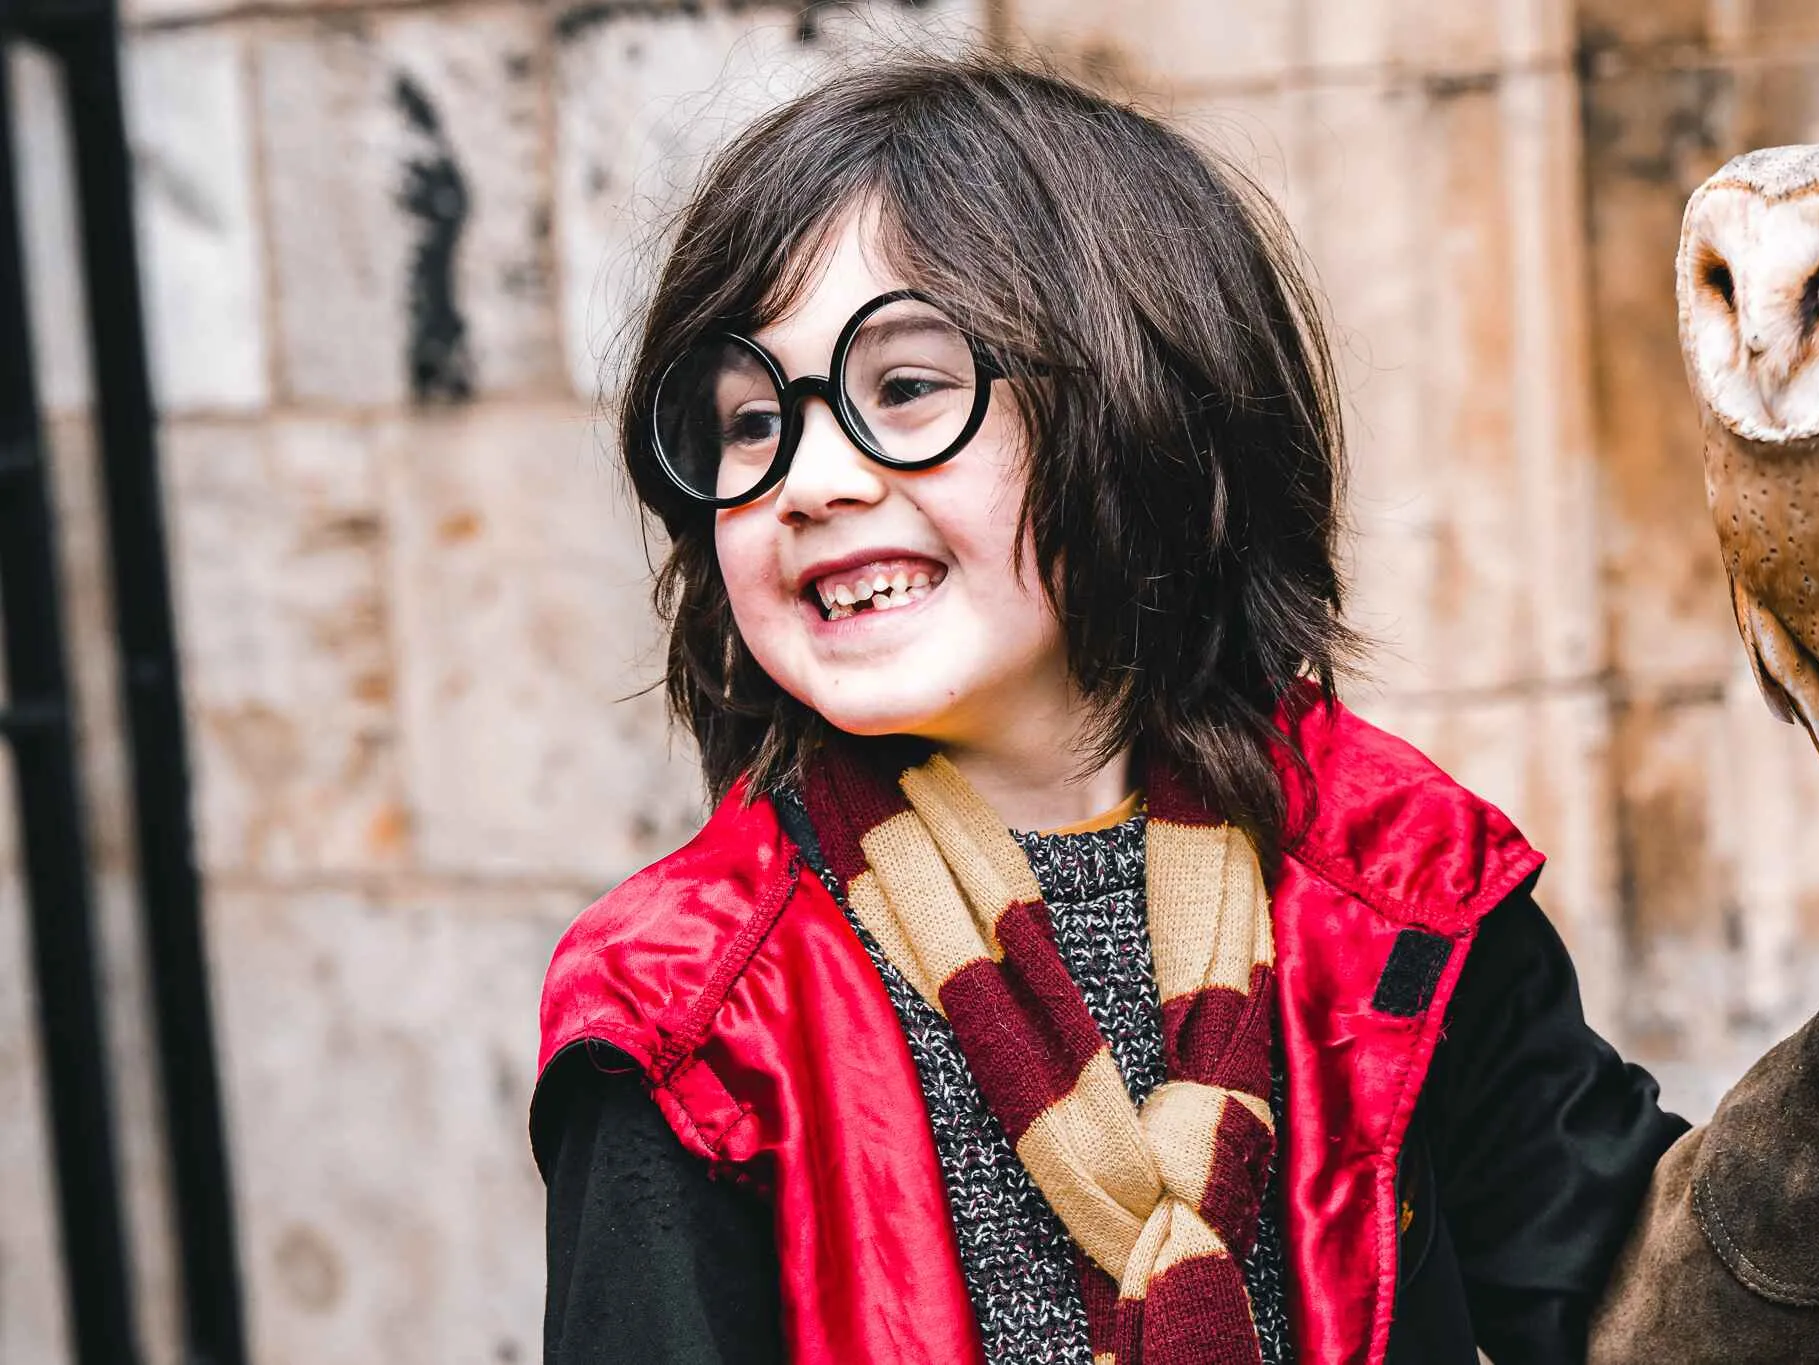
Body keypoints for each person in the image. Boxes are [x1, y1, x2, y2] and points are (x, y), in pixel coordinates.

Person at [530, 54, 1685, 1365]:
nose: (810, 477)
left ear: (1147, 404)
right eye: (749, 422)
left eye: (903, 388)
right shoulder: (686, 1011)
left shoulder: (1397, 882)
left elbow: (1648, 1312)